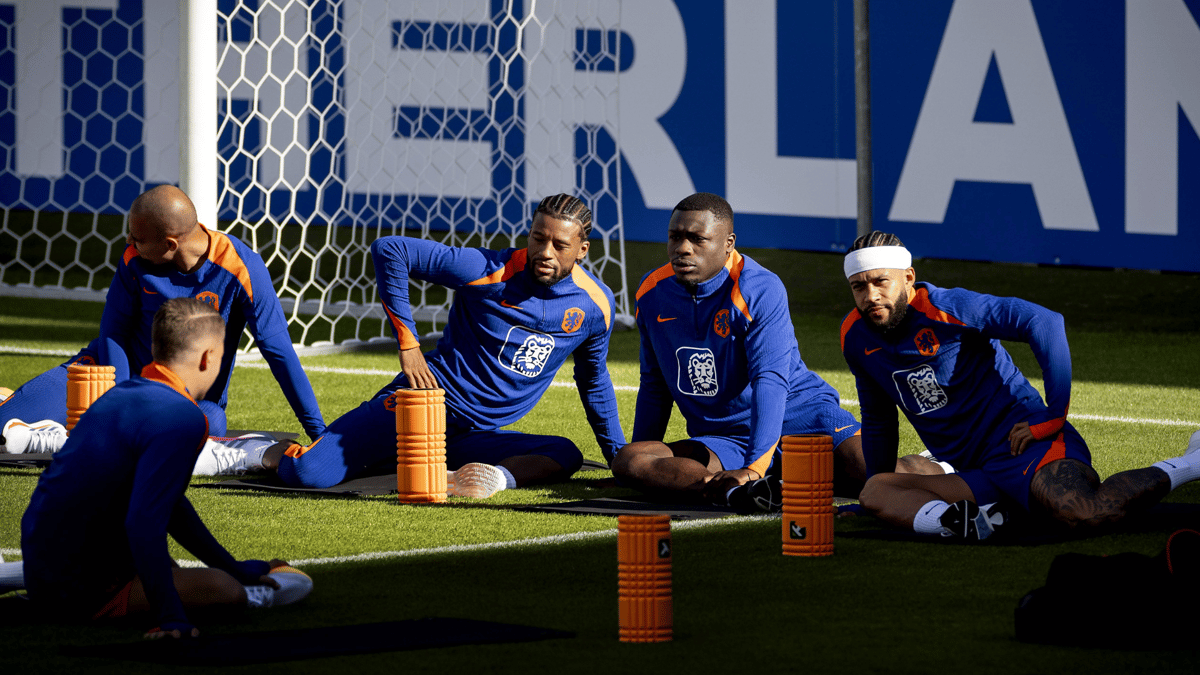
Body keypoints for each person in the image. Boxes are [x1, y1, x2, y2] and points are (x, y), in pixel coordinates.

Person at [229, 194, 626, 497]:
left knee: (564, 454)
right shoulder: (489, 270)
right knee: (309, 474)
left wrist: (617, 457)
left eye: (559, 244)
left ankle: (484, 476)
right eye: (539, 238)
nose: (545, 252)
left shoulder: (596, 305)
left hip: (475, 433)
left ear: (582, 249)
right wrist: (410, 345)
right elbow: (391, 250)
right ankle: (254, 452)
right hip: (421, 404)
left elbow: (593, 381)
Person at [840, 231, 1200, 539]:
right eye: (859, 286)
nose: (870, 295)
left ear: (908, 277)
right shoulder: (855, 336)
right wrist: (874, 501)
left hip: (1024, 445)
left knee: (1085, 512)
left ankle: (1192, 462)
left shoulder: (948, 307)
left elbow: (1044, 321)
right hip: (975, 472)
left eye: (880, 281)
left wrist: (1055, 416)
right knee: (876, 490)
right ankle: (962, 525)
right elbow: (878, 418)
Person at [611, 193, 940, 510]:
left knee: (875, 474)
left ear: (728, 244)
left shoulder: (758, 287)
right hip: (727, 438)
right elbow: (655, 382)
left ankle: (941, 468)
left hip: (804, 419)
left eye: (698, 239)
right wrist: (640, 474)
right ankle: (737, 492)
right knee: (631, 459)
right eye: (675, 237)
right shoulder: (652, 292)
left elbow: (769, 381)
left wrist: (755, 465)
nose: (683, 248)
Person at [20, 298, 311, 638]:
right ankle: (249, 597)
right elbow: (144, 522)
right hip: (82, 585)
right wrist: (170, 617)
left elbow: (169, 503)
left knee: (184, 568)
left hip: (47, 562)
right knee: (225, 590)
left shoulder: (121, 393)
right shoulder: (183, 417)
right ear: (208, 358)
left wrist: (229, 564)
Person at [0, 185, 325, 460]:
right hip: (108, 377)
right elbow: (113, 333)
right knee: (4, 426)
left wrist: (319, 434)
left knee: (208, 424)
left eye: (138, 238)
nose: (128, 243)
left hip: (184, 398)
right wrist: (124, 400)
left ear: (170, 244)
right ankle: (15, 405)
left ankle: (67, 435)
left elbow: (278, 351)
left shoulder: (242, 268)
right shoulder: (134, 260)